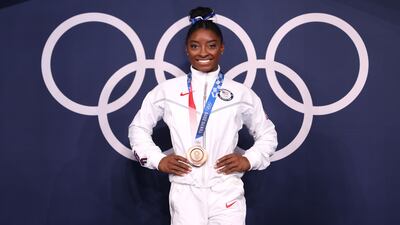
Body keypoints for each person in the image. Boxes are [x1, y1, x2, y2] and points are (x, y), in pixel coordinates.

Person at [129, 6, 277, 225]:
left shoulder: (240, 93)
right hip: (185, 191)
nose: (203, 52)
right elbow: (138, 128)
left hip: (226, 190)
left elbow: (268, 133)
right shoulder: (167, 91)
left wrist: (249, 160)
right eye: (195, 46)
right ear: (187, 50)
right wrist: (158, 159)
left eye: (212, 45)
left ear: (222, 48)